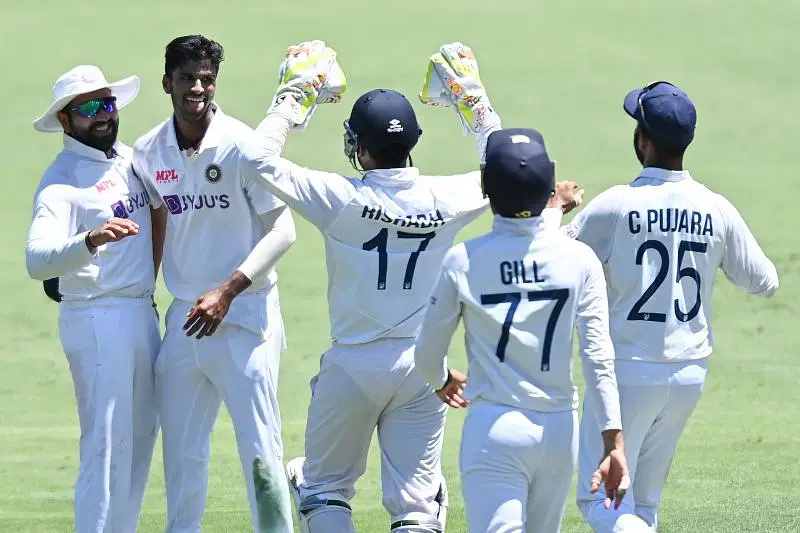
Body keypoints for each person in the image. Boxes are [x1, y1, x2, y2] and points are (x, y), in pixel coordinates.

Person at [237, 41, 580, 533]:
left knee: (324, 491)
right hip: (423, 370)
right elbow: (508, 164)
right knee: (418, 509)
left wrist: (294, 98)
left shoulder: (339, 198)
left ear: (360, 146)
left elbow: (256, 159)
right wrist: (476, 106)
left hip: (352, 365)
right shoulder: (447, 196)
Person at [547, 81, 780, 532]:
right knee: (644, 504)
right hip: (689, 373)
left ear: (643, 141)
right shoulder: (716, 208)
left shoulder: (615, 204)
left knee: (601, 501)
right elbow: (764, 281)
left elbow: (549, 260)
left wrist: (556, 207)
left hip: (627, 372)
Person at [413, 127, 630, 533]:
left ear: (485, 187)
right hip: (559, 429)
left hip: (494, 428)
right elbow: (598, 359)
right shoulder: (580, 260)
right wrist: (612, 443)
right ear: (550, 187)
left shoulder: (463, 260)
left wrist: (442, 379)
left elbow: (425, 355)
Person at [131, 35, 298, 533]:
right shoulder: (147, 151)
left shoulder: (243, 146)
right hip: (185, 320)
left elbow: (284, 229)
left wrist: (228, 291)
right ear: (168, 83)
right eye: (187, 78)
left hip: (245, 317)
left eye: (206, 79)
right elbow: (153, 231)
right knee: (181, 452)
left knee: (260, 447)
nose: (198, 88)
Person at [25, 64, 164, 533]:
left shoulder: (131, 158)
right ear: (64, 121)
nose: (102, 114)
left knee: (141, 439)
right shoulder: (61, 181)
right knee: (105, 446)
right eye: (87, 107)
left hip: (142, 312)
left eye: (106, 103)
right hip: (97, 315)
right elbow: (37, 260)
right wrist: (89, 240)